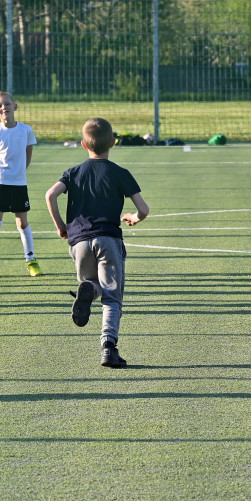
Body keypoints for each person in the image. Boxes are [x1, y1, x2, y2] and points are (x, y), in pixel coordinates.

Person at [45, 117, 149, 368]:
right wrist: (133, 218)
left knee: (93, 283)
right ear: (113, 142)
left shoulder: (74, 173)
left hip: (79, 242)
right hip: (108, 239)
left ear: (83, 145)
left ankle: (89, 290)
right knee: (112, 297)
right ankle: (109, 348)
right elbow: (143, 210)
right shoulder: (120, 173)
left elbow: (50, 195)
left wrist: (62, 226)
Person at [0, 92, 42, 279]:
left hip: (19, 182)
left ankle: (31, 260)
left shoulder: (26, 130)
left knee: (22, 222)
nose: (4, 107)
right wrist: (2, 174)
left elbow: (28, 154)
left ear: (15, 106)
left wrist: (19, 172)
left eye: (7, 104)